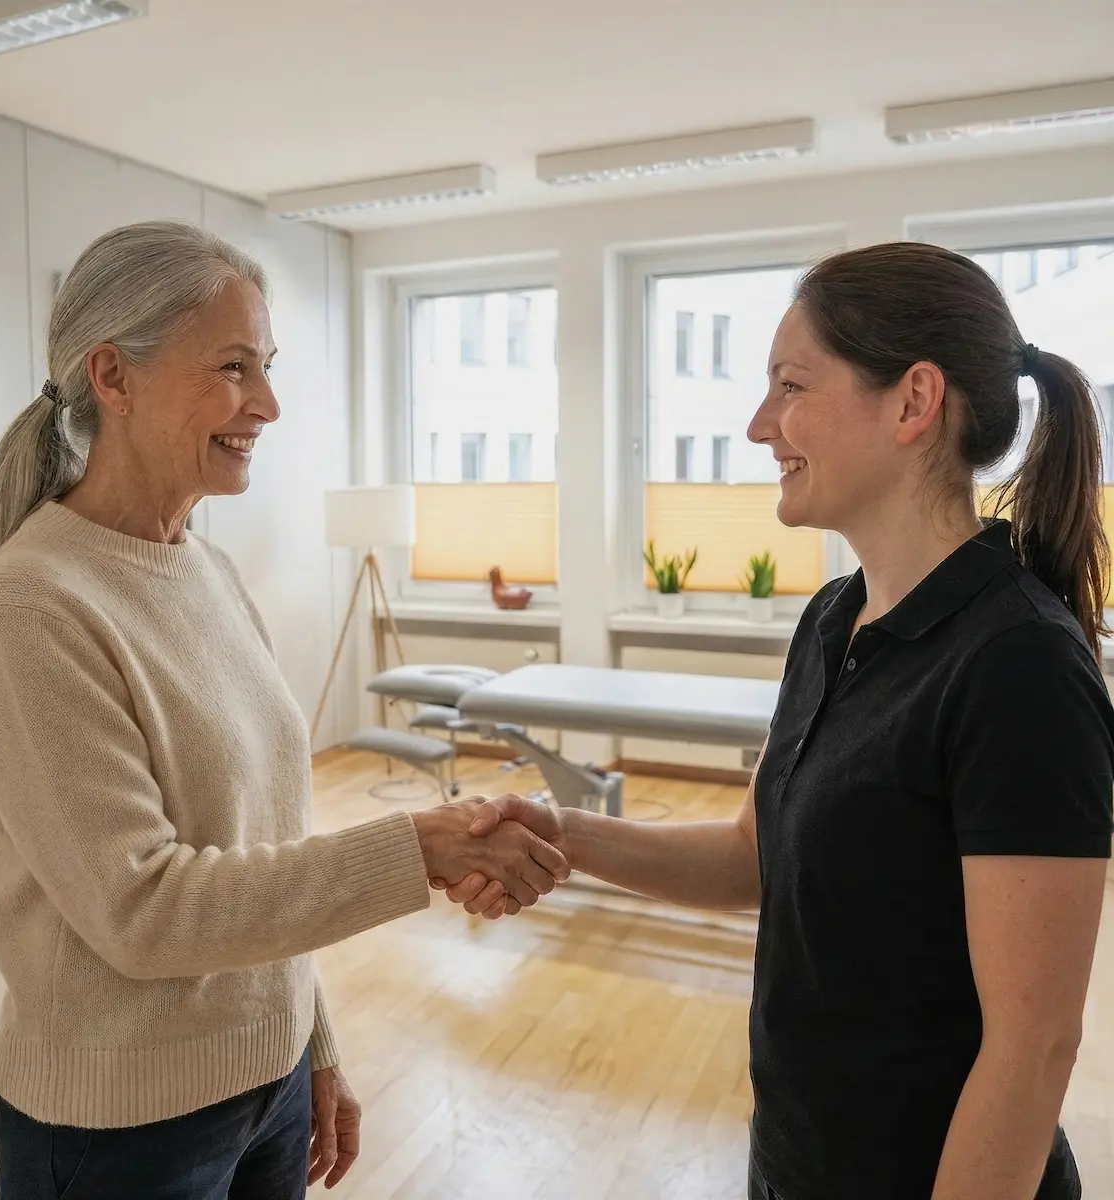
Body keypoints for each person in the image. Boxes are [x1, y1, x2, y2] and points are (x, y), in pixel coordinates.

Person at [442, 242, 1114, 1200]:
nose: (760, 425)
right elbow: (753, 858)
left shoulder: (1020, 664)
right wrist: (564, 833)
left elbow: (1033, 1047)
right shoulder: (834, 619)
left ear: (914, 403)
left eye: (790, 386)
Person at [0, 220, 569, 1200]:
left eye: (266, 368)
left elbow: (261, 842)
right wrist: (420, 848)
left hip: (269, 1092)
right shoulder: (31, 607)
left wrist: (309, 1041)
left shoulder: (209, 569)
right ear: (113, 376)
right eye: (233, 368)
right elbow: (143, 910)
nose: (268, 405)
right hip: (121, 1133)